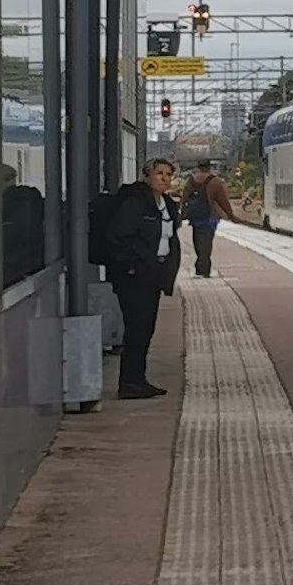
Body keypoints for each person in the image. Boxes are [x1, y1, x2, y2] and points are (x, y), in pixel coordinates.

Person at [94, 156, 179, 402]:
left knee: (145, 328)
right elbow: (117, 237)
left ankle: (137, 380)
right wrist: (135, 264)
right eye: (159, 174)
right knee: (138, 328)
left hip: (153, 274)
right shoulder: (135, 203)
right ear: (147, 176)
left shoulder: (165, 204)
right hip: (134, 276)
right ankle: (130, 383)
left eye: (168, 175)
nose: (164, 179)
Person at [181, 164, 230, 279]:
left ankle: (201, 267)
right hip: (210, 217)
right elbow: (222, 198)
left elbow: (185, 197)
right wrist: (229, 214)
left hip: (195, 217)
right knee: (207, 243)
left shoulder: (191, 180)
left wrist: (184, 212)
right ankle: (203, 269)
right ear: (209, 168)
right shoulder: (215, 181)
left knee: (198, 241)